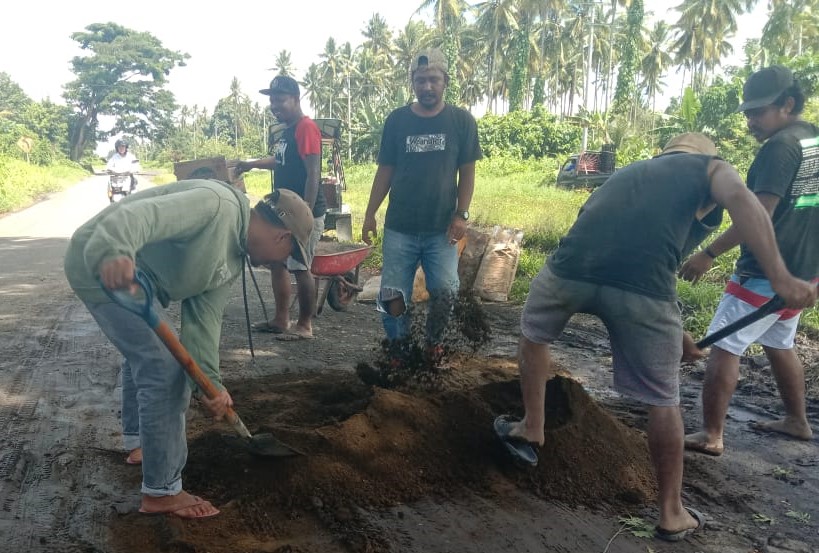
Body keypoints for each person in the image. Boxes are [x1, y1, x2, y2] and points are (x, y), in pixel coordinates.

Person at [493, 133, 817, 541]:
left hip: (566, 272)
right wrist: (781, 277)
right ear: (708, 155)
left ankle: (531, 426)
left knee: (534, 336)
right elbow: (748, 203)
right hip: (642, 292)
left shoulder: (628, 173)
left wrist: (675, 328)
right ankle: (671, 512)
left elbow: (624, 242)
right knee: (663, 398)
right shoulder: (711, 168)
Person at [64, 180, 313, 518]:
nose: (282, 263)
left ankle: (140, 441)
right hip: (99, 264)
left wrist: (210, 385)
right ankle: (162, 491)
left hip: (142, 283)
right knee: (164, 371)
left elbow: (203, 325)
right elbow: (140, 216)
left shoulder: (232, 260)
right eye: (290, 255)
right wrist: (116, 251)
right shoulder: (216, 205)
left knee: (152, 356)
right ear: (282, 237)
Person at [681, 66, 819, 457]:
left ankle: (711, 433)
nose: (750, 121)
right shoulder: (813, 140)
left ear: (787, 104)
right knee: (780, 341)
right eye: (747, 113)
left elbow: (757, 214)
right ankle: (797, 420)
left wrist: (708, 253)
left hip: (766, 273)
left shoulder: (780, 148)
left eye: (758, 112)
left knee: (725, 346)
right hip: (805, 269)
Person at [361, 48, 482, 361]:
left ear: (445, 82)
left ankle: (432, 344)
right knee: (392, 295)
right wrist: (370, 214)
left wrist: (462, 214)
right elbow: (385, 170)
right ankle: (398, 349)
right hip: (400, 228)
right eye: (421, 80)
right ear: (412, 82)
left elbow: (467, 172)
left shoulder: (460, 121)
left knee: (446, 290)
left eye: (434, 80)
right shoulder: (398, 121)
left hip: (441, 230)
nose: (427, 86)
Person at [235, 75, 325, 340]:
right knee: (278, 263)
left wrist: (306, 211)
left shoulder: (306, 127)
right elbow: (281, 161)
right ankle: (281, 319)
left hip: (302, 215)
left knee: (300, 266)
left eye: (280, 100)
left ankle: (305, 325)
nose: (275, 105)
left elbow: (313, 172)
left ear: (296, 99)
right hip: (284, 213)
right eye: (272, 100)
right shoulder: (288, 129)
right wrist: (252, 164)